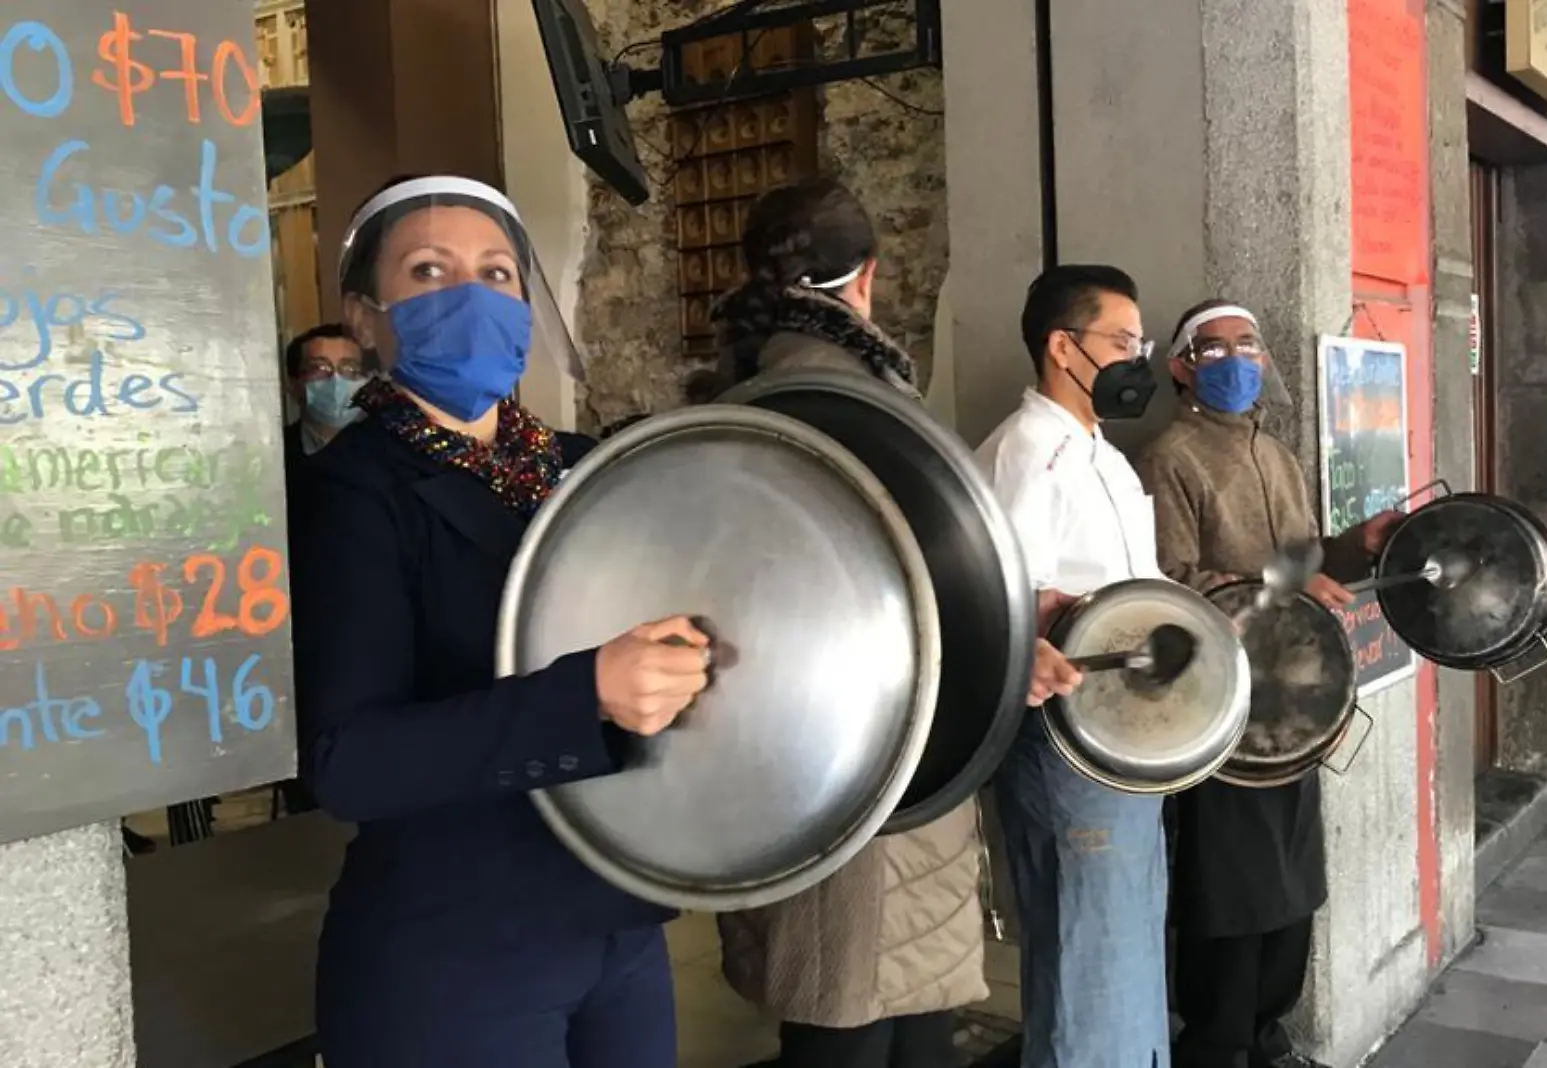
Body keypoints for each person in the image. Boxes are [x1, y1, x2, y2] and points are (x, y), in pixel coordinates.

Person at [289, 175, 713, 1068]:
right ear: (367, 319)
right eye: (431, 272)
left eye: (497, 274)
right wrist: (583, 692)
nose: (472, 296)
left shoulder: (581, 471)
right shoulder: (352, 493)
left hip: (614, 920)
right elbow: (348, 763)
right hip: (453, 948)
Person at [713, 177, 1022, 1068]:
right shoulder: (876, 408)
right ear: (868, 279)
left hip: (793, 772)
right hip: (895, 765)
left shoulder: (744, 403)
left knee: (843, 1016)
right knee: (875, 1025)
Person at [1134, 300, 1400, 1068]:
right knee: (1229, 897)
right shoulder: (1168, 458)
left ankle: (1266, 1035)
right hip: (1220, 715)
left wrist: (1355, 547)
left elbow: (1303, 567)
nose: (1239, 362)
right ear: (1181, 366)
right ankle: (1218, 1045)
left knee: (1290, 892)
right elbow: (1170, 587)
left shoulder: (1275, 455)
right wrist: (1277, 585)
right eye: (1216, 351)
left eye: (1250, 346)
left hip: (1295, 710)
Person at [974, 264, 1168, 1068]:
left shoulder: (1105, 456)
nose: (1136, 359)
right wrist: (1046, 618)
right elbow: (1006, 604)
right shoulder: (1025, 451)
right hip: (1066, 738)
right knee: (1086, 937)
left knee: (1125, 926)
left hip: (1127, 733)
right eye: (1122, 341)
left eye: (1140, 343)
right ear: (1063, 346)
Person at [283, 324, 371, 466]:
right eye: (319, 368)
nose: (336, 380)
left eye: (350, 368)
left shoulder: (393, 450)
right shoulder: (276, 451)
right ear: (294, 385)